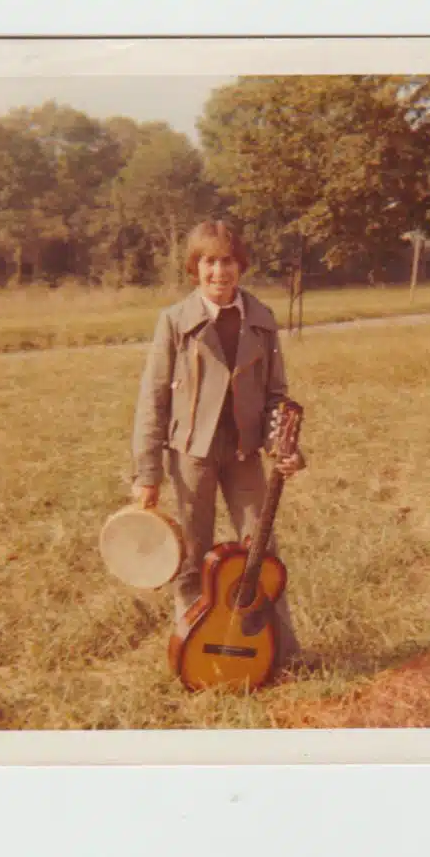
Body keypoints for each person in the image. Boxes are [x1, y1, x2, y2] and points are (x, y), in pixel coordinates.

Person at [130, 219, 305, 670]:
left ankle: (281, 652)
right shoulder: (174, 322)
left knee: (261, 551)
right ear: (195, 268)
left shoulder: (261, 320)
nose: (219, 272)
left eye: (227, 261)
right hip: (191, 456)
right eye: (209, 262)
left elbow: (276, 395)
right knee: (193, 555)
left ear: (240, 266)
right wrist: (147, 473)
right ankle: (192, 649)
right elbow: (153, 399)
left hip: (244, 454)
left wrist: (283, 447)